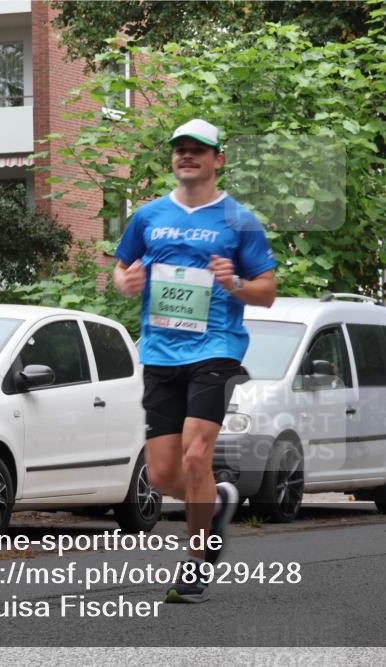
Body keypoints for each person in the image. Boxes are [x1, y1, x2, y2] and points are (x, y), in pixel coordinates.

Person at [113, 119, 276, 602]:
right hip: (160, 352)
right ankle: (218, 500)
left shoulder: (239, 220)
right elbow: (120, 272)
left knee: (196, 453)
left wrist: (235, 285)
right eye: (180, 150)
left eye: (198, 151)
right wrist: (125, 283)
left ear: (217, 160)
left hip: (217, 349)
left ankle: (197, 561)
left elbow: (266, 293)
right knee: (163, 475)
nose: (188, 157)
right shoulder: (147, 216)